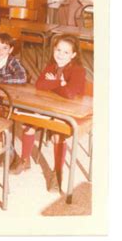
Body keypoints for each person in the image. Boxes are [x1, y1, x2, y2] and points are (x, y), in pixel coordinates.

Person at [12, 34, 86, 193]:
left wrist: (54, 82)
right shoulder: (51, 65)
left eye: (66, 52)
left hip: (68, 113)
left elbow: (70, 94)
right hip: (48, 108)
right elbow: (39, 84)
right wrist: (60, 83)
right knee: (28, 125)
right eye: (58, 50)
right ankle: (25, 160)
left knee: (57, 136)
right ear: (53, 50)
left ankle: (57, 172)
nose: (60, 54)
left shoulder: (78, 70)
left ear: (73, 55)